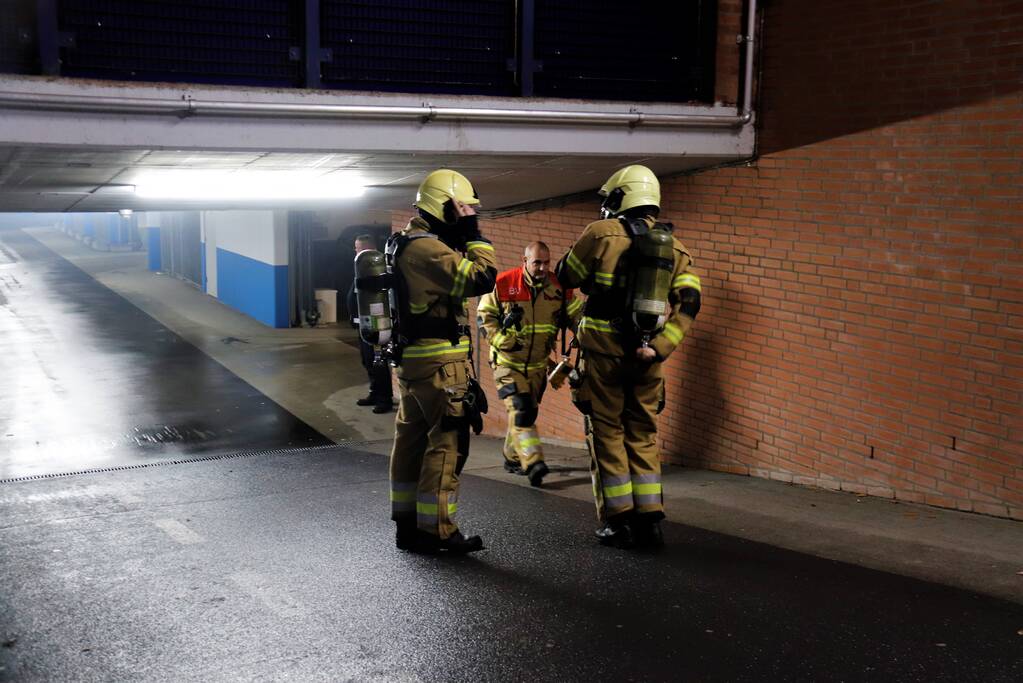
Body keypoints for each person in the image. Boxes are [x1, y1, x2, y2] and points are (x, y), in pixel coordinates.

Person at [555, 165, 701, 549]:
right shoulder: (676, 247)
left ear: (621, 197)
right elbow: (689, 304)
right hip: (648, 356)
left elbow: (566, 276)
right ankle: (650, 520)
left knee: (607, 433)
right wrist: (659, 347)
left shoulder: (600, 234)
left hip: (603, 353)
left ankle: (618, 522)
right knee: (643, 433)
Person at [387, 169, 497, 554]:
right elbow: (483, 278)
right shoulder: (429, 250)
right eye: (460, 211)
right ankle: (437, 530)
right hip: (440, 364)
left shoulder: (402, 243)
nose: (464, 217)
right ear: (446, 210)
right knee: (447, 444)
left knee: (412, 442)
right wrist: (474, 234)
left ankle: (408, 526)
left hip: (415, 362)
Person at [477, 241, 582, 487]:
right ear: (525, 261)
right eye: (537, 262)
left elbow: (577, 317)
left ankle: (512, 457)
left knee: (527, 412)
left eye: (546, 262)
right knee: (521, 408)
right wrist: (502, 340)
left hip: (537, 366)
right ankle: (533, 462)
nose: (543, 267)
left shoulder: (560, 288)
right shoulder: (503, 283)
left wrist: (588, 334)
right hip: (507, 362)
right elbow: (484, 317)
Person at [347, 234, 394, 414]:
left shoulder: (379, 270)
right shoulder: (363, 269)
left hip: (376, 326)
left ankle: (384, 399)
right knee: (367, 361)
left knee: (378, 362)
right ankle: (375, 393)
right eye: (356, 249)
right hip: (364, 325)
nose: (357, 253)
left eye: (360, 249)